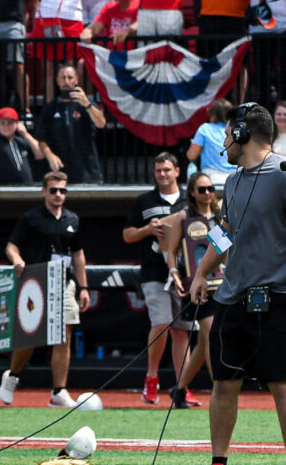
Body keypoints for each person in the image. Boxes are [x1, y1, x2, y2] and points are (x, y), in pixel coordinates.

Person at [188, 102, 286, 463]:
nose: (225, 141)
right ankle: (219, 460)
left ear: (244, 134)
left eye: (229, 134)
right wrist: (201, 272)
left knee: (282, 385)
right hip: (233, 298)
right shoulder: (231, 182)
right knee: (224, 383)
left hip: (279, 299)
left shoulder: (282, 174)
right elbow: (226, 232)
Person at [0, 171, 91, 409]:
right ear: (44, 191)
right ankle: (13, 375)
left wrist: (83, 286)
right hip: (36, 282)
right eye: (54, 190)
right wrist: (17, 260)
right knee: (30, 335)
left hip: (64, 281)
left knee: (65, 334)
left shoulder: (73, 219)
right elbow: (11, 246)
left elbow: (78, 254)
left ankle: (59, 391)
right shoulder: (31, 218)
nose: (58, 194)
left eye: (62, 190)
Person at [123, 152, 191, 405]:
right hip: (155, 272)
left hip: (185, 273)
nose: (163, 174)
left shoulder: (188, 199)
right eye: (158, 170)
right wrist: (148, 230)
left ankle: (182, 387)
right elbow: (127, 235)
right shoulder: (144, 201)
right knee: (161, 322)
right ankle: (151, 379)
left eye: (167, 170)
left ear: (177, 171)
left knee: (183, 331)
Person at [159, 171, 222, 409]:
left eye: (210, 189)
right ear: (193, 193)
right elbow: (172, 251)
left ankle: (180, 387)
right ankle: (219, 386)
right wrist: (174, 275)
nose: (207, 193)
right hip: (196, 283)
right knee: (210, 332)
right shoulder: (184, 216)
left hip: (221, 283)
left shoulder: (219, 214)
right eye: (202, 189)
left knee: (204, 341)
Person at [35, 64, 107, 184]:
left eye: (70, 77)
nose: (66, 81)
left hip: (87, 171)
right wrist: (49, 155)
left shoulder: (86, 104)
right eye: (63, 78)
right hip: (60, 172)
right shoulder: (50, 108)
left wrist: (87, 104)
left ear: (76, 80)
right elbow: (41, 138)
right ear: (57, 81)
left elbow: (101, 123)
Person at [246, 0, 286, 103]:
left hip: (283, 27)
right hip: (261, 27)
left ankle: (283, 111)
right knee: (263, 73)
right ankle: (263, 112)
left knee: (284, 73)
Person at [0, 106, 45, 185]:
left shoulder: (22, 141)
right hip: (4, 190)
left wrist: (26, 134)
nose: (6, 127)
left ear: (17, 124)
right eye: (2, 123)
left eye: (10, 123)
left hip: (26, 189)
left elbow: (40, 154)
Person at [188, 99, 237, 184]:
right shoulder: (236, 129)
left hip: (212, 180)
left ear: (214, 115)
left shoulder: (205, 129)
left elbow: (191, 156)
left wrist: (194, 144)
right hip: (235, 179)